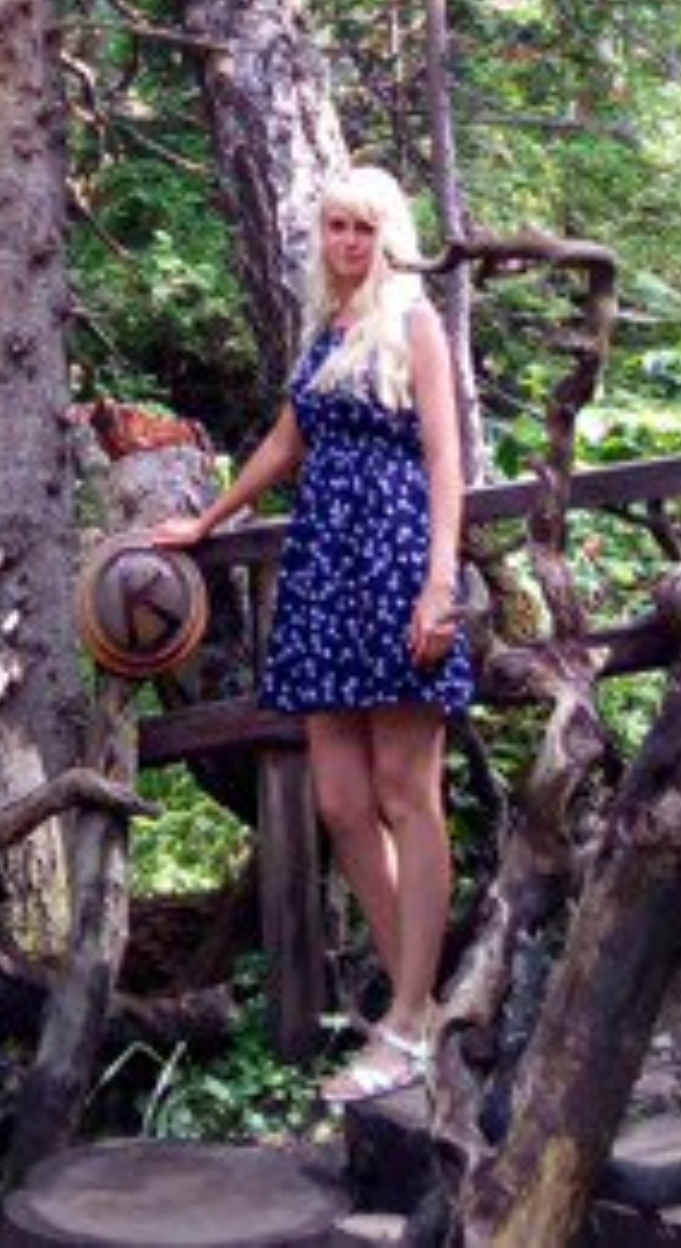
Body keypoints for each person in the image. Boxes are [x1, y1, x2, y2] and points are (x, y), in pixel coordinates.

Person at [151, 164, 471, 1105]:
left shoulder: (415, 325)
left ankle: (409, 1018)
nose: (348, 243)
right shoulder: (326, 336)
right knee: (339, 801)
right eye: (335, 227)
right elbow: (286, 446)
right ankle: (416, 1001)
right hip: (326, 575)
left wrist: (441, 584)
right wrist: (207, 522)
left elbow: (449, 458)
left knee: (406, 791)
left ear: (391, 237)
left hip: (398, 565)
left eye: (364, 229)